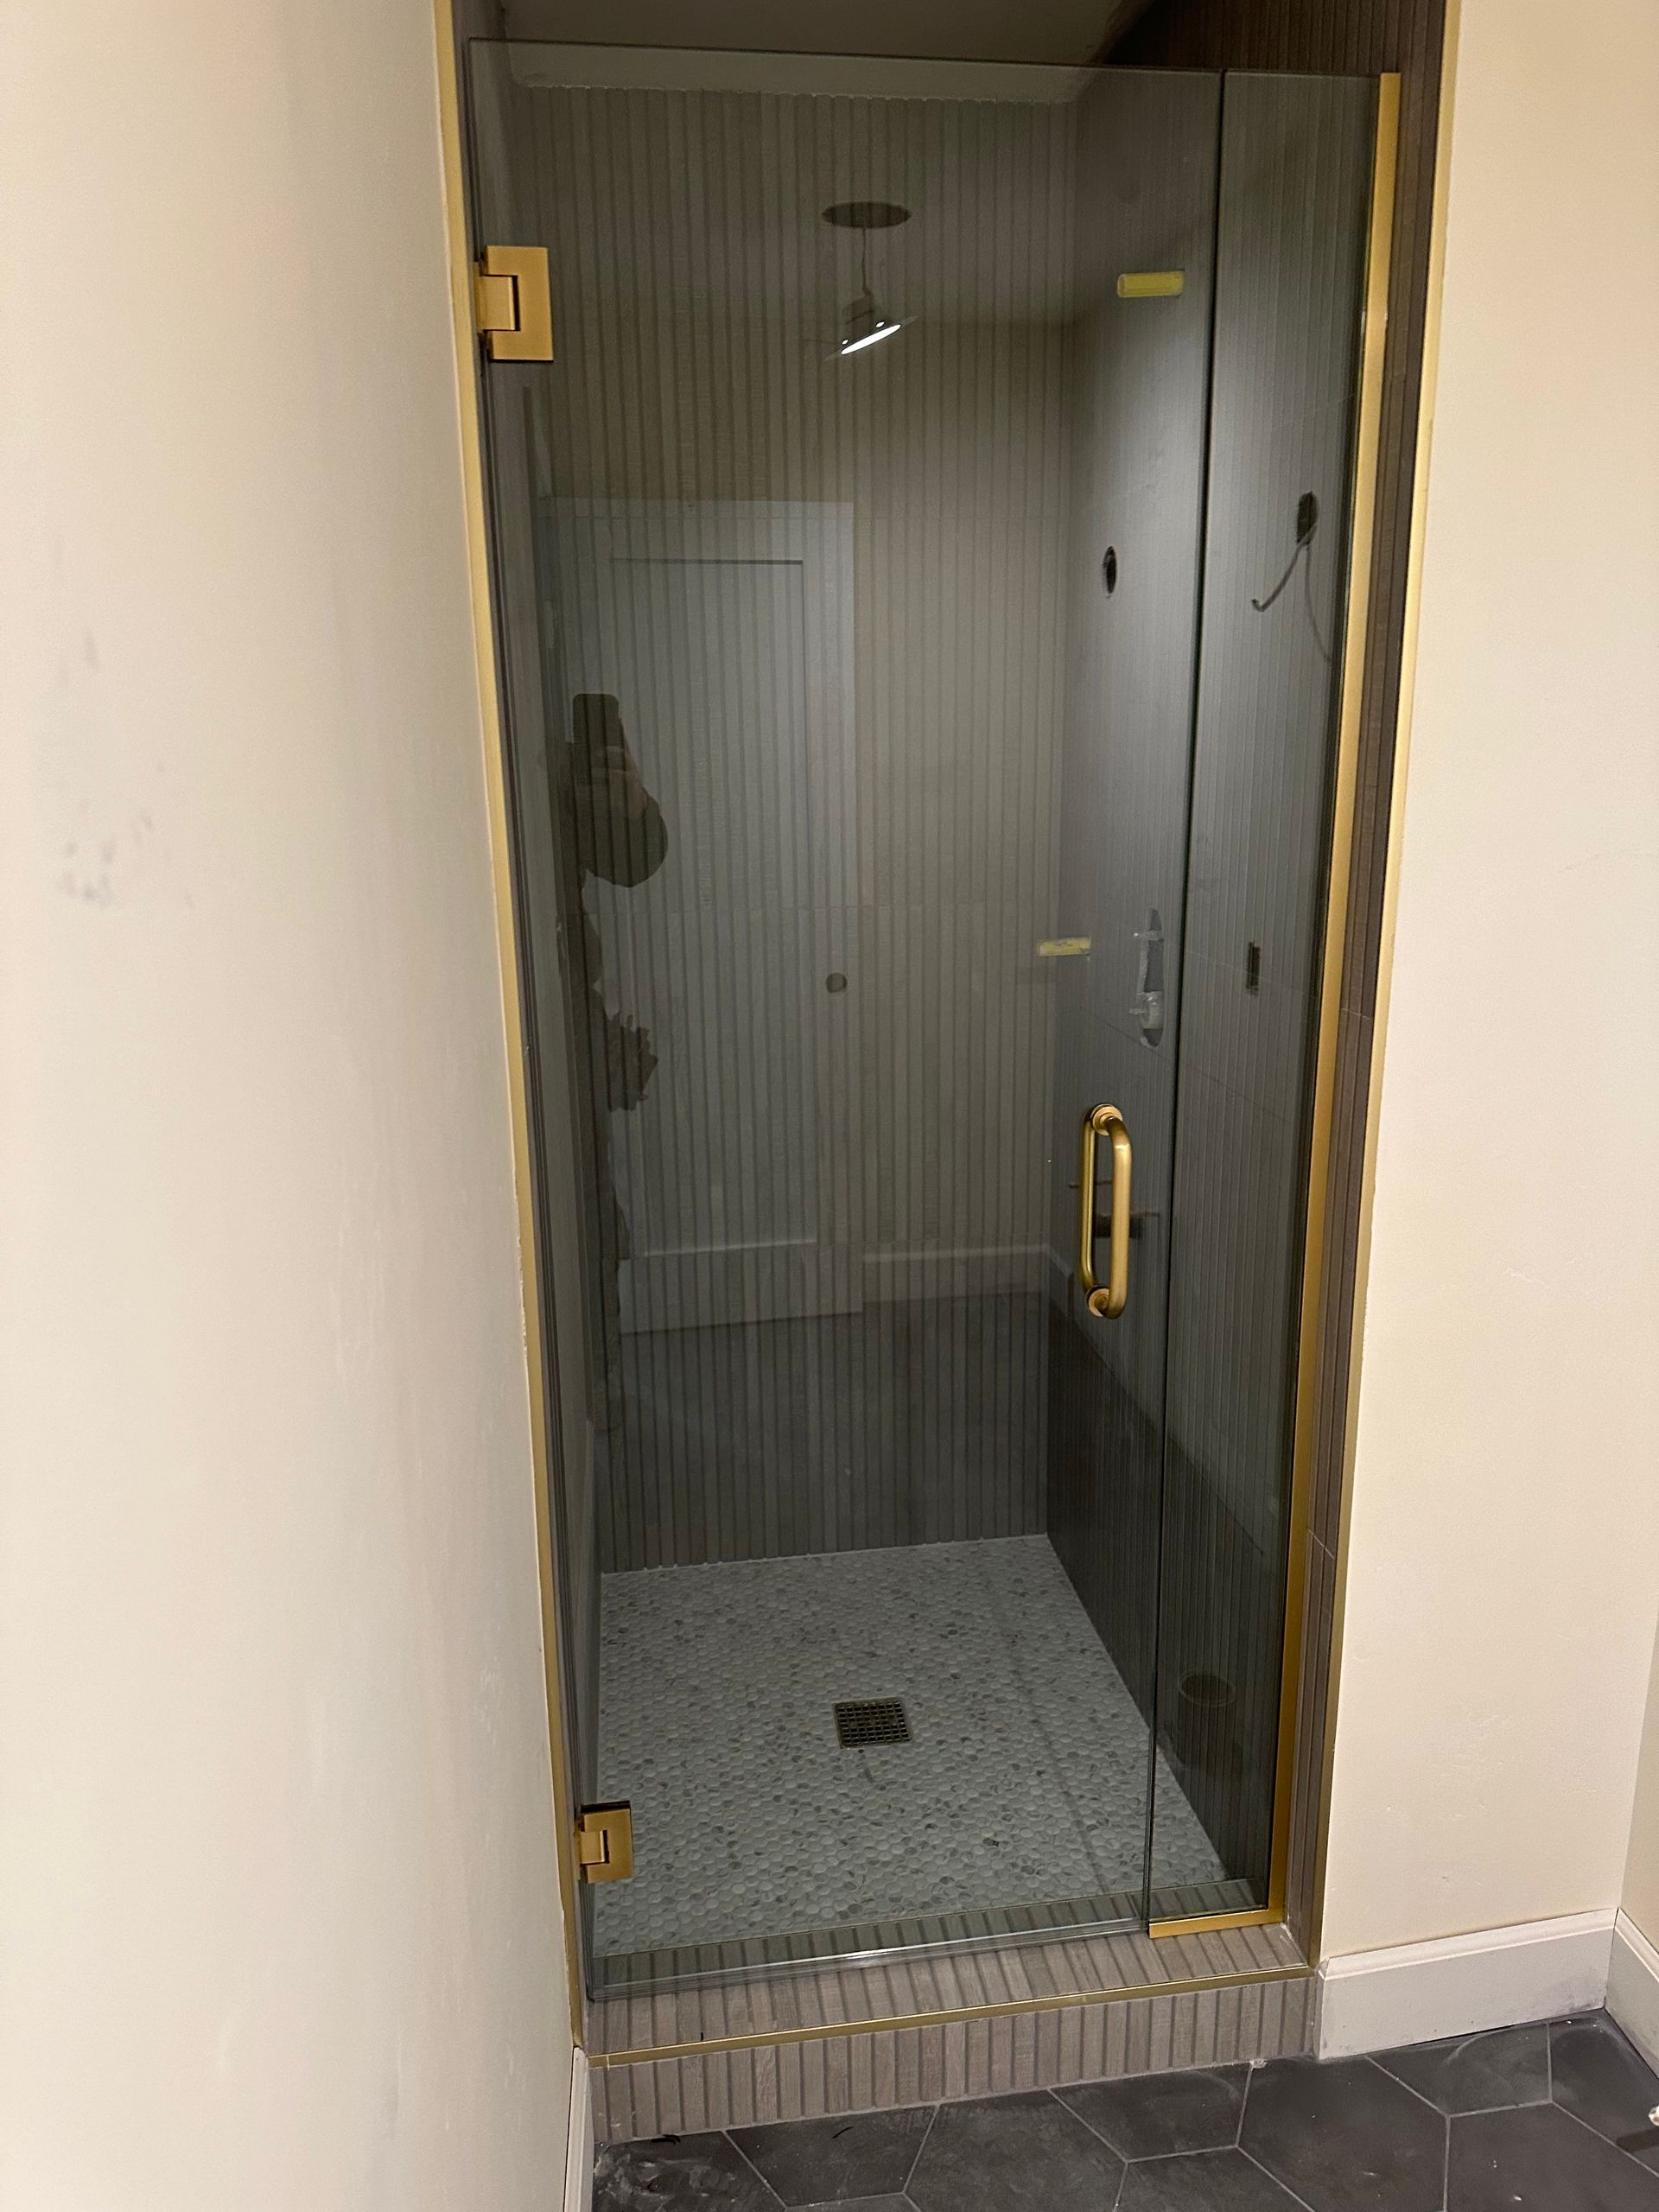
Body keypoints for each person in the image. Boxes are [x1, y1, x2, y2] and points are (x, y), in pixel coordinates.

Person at [556, 692, 669, 1431]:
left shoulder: (572, 772)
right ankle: (596, 1385)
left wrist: (632, 808)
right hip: (553, 1023)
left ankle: (600, 1381)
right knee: (589, 1218)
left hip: (572, 1015)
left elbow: (634, 864)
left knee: (598, 1220)